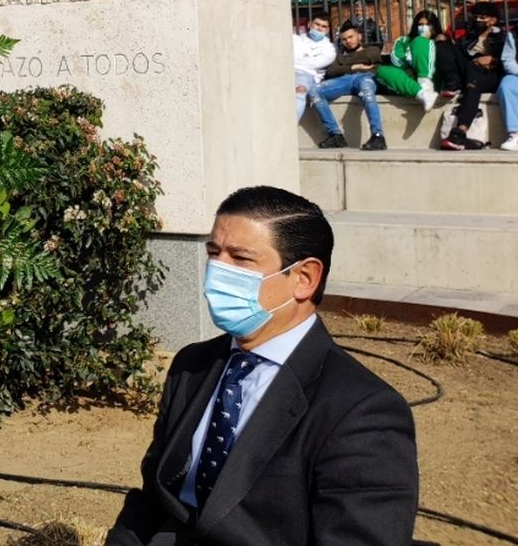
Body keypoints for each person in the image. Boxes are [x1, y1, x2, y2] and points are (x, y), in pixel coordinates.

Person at [106, 186, 417, 545]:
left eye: (240, 259)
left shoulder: (362, 412)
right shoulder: (192, 366)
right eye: (213, 253)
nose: (216, 272)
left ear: (304, 279)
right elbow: (154, 496)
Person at [441, 1, 511, 150]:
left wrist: (493, 59)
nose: (478, 20)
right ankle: (452, 82)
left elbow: (510, 61)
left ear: (492, 20)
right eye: (476, 17)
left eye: (482, 17)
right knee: (443, 43)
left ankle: (460, 132)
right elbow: (461, 54)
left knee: (473, 81)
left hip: (490, 75)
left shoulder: (503, 37)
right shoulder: (470, 35)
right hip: (470, 70)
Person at [306, 25, 386, 150]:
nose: (348, 41)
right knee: (314, 90)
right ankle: (335, 135)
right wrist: (354, 66)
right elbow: (332, 71)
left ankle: (378, 136)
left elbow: (372, 58)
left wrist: (345, 65)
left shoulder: (372, 49)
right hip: (344, 80)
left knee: (367, 91)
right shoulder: (340, 55)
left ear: (359, 36)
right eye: (344, 39)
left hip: (365, 77)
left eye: (351, 37)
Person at [375, 9, 452, 109]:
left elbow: (445, 62)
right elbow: (397, 64)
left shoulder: (441, 41)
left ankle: (425, 84)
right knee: (382, 71)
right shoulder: (404, 41)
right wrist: (411, 54)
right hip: (410, 81)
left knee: (420, 41)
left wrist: (433, 42)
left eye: (428, 24)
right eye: (420, 24)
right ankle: (421, 93)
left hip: (433, 81)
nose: (424, 27)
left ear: (434, 26)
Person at [292, 11, 335, 122]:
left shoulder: (329, 49)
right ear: (309, 24)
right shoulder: (294, 40)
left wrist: (297, 57)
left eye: (323, 26)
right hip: (285, 71)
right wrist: (306, 57)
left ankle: (290, 128)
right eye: (317, 24)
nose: (319, 28)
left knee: (300, 92)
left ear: (327, 30)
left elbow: (313, 65)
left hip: (306, 76)